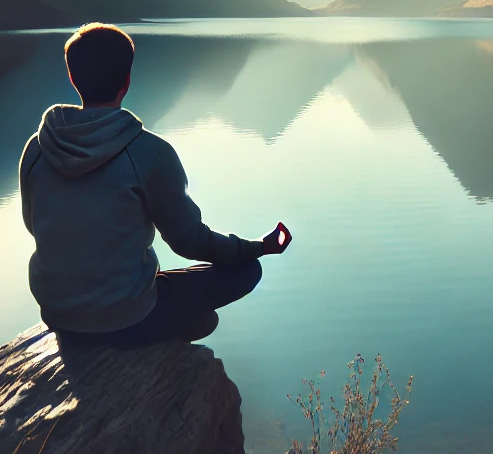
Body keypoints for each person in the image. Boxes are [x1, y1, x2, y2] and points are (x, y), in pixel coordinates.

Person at [19, 22, 290, 346]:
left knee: (194, 311)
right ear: (128, 81)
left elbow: (35, 226)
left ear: (73, 78)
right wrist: (259, 247)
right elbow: (189, 242)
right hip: (126, 317)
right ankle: (159, 335)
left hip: (57, 314)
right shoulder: (149, 153)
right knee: (246, 272)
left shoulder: (37, 149)